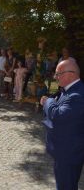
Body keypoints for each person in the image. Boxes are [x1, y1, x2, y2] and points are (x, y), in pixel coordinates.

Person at [40, 60, 84, 190]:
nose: (55, 77)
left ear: (70, 74)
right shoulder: (68, 90)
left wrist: (48, 102)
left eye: (58, 73)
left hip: (69, 153)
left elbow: (58, 115)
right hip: (64, 151)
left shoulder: (78, 94)